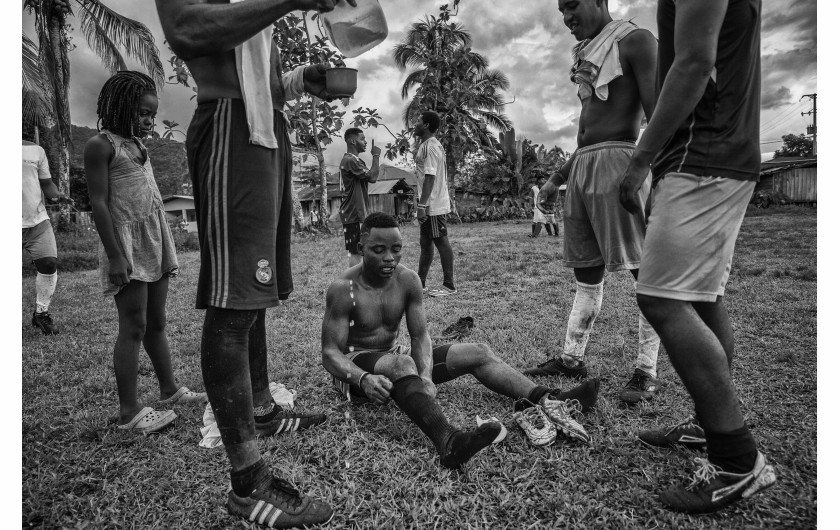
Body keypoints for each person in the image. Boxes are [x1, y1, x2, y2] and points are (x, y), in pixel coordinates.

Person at [155, 0, 353, 526]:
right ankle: (248, 485)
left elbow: (258, 79)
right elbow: (187, 31)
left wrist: (299, 79)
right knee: (234, 300)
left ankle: (262, 410)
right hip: (228, 128)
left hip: (265, 133)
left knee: (256, 291)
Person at [618, 0, 776, 513]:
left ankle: (737, 459)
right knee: (701, 297)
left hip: (702, 151)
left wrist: (641, 159)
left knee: (660, 298)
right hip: (714, 151)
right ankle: (708, 427)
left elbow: (692, 63)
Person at [321, 213, 603, 461]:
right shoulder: (343, 289)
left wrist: (427, 376)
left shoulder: (407, 280)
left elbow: (420, 336)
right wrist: (363, 378)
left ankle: (551, 399)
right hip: (355, 364)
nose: (389, 258)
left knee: (478, 351)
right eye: (378, 250)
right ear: (361, 247)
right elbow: (330, 353)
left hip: (393, 355)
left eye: (396, 249)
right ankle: (449, 441)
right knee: (402, 365)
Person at [524, 0, 662, 406]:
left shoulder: (634, 41)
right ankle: (571, 360)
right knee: (586, 274)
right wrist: (556, 177)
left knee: (645, 275)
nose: (567, 18)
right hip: (583, 168)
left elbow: (658, 116)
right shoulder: (588, 53)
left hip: (621, 162)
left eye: (573, 6)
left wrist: (642, 168)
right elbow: (587, 135)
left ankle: (646, 370)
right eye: (561, 11)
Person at [84, 71, 207, 434]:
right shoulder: (101, 145)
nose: (148, 120)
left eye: (152, 114)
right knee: (133, 326)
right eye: (141, 112)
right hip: (126, 246)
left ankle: (169, 390)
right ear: (118, 106)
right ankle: (129, 411)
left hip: (154, 238)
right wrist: (116, 256)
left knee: (156, 321)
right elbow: (100, 203)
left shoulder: (140, 146)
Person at [23, 134, 63, 335]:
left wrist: (58, 196)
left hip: (37, 220)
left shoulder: (36, 150)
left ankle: (41, 313)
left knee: (48, 263)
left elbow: (46, 184)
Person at [413, 111, 456, 297]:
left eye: (419, 121)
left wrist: (422, 206)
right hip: (429, 202)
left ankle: (449, 285)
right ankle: (419, 283)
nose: (415, 123)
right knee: (425, 242)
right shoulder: (428, 145)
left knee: (440, 241)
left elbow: (430, 177)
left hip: (433, 204)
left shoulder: (430, 147)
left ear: (427, 125)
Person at [339, 127, 381, 267]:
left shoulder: (355, 160)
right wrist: (376, 156)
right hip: (354, 213)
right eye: (362, 139)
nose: (365, 142)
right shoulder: (350, 160)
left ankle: (359, 282)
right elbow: (373, 177)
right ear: (352, 141)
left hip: (356, 213)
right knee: (356, 251)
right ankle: (355, 285)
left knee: (360, 249)